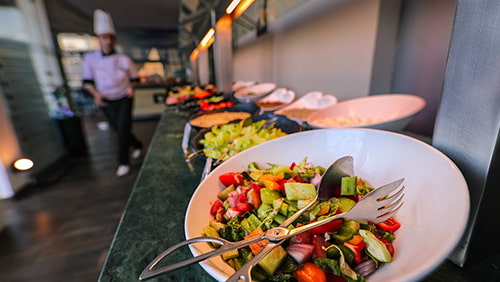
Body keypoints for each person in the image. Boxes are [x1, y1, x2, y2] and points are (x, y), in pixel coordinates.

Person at [82, 9, 142, 177]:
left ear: (114, 40)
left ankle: (123, 162)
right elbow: (87, 82)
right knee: (118, 129)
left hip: (124, 98)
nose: (107, 41)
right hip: (106, 100)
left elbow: (134, 77)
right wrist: (96, 95)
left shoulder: (123, 59)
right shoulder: (90, 59)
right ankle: (137, 145)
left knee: (123, 129)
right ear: (99, 39)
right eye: (104, 37)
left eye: (110, 37)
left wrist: (131, 87)